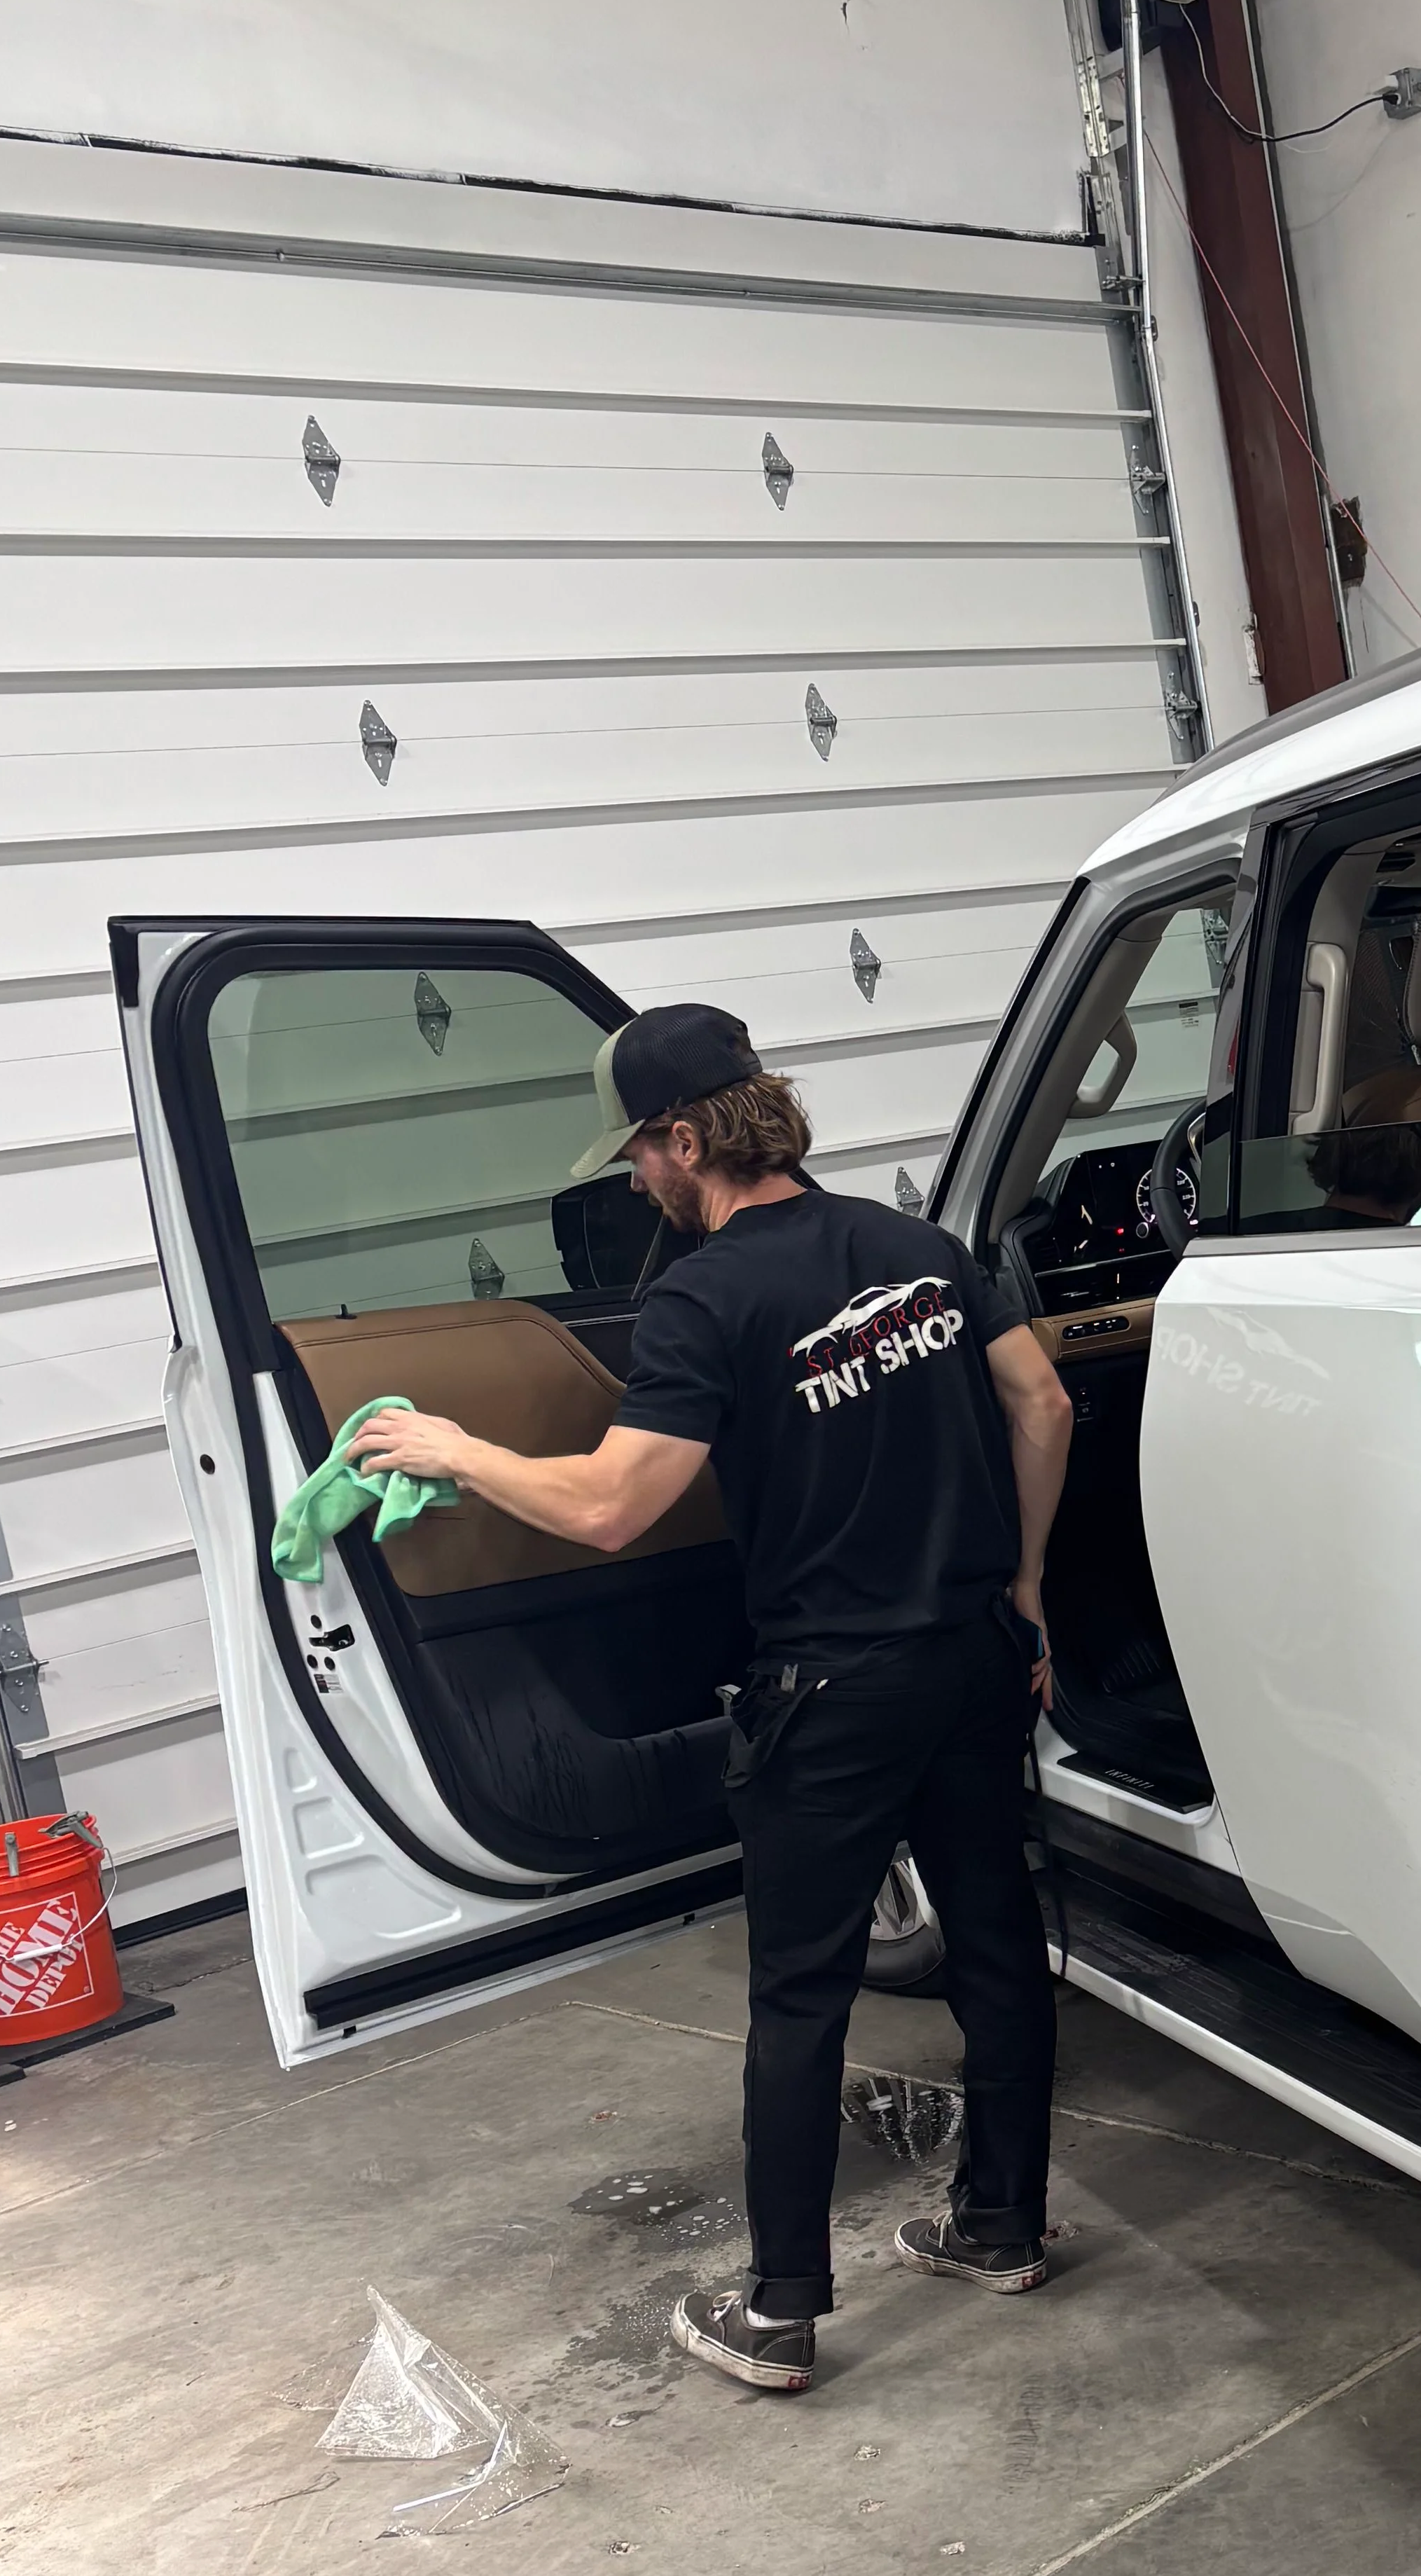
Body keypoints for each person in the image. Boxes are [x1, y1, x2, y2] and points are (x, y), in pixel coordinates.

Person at [354, 1003, 1075, 2392]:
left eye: (639, 1152)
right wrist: (1028, 1588)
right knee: (995, 1947)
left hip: (835, 1694)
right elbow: (1041, 1402)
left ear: (688, 1138)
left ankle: (781, 2311)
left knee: (801, 2000)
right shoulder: (918, 1250)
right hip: (974, 1658)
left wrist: (454, 1446)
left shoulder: (703, 1297)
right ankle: (1001, 2226)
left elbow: (617, 1508)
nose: (634, 1181)